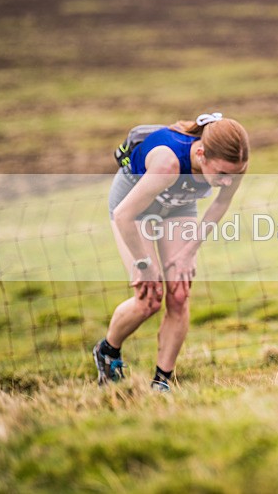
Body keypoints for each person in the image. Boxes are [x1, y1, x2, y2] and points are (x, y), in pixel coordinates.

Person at [93, 112, 249, 391]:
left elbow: (219, 206)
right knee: (148, 299)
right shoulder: (168, 163)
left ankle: (161, 383)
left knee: (179, 293)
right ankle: (108, 351)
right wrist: (145, 265)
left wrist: (189, 252)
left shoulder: (234, 165)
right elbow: (123, 214)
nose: (228, 181)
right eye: (222, 174)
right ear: (200, 153)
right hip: (134, 209)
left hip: (178, 206)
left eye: (233, 175)